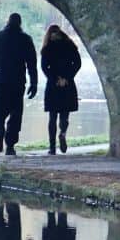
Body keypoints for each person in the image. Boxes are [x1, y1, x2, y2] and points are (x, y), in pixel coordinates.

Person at [0, 12, 37, 155]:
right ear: (20, 24)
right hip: (18, 83)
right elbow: (32, 63)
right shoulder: (26, 39)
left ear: (7, 22)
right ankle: (10, 146)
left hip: (0, 81)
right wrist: (34, 83)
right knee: (15, 113)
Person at [40, 24, 82, 155]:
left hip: (53, 85)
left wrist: (55, 79)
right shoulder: (70, 45)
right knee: (65, 115)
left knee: (52, 117)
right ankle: (62, 133)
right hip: (67, 84)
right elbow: (78, 63)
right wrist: (67, 77)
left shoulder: (47, 48)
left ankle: (52, 148)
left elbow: (44, 67)